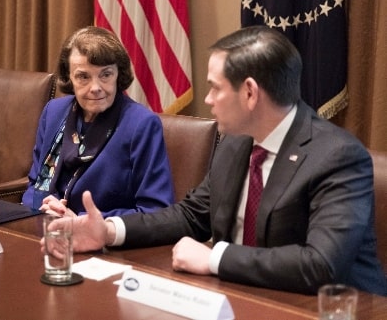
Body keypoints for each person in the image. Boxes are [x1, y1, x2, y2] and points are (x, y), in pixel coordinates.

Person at [47, 25, 387, 295]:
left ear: (250, 93)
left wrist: (215, 258)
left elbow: (321, 265)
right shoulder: (237, 142)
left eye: (215, 88)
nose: (207, 100)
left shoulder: (338, 157)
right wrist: (108, 230)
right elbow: (191, 215)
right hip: (244, 297)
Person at [21, 26, 174, 217]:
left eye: (106, 75)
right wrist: (45, 207)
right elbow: (35, 184)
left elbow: (155, 210)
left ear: (119, 75)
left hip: (108, 241)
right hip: (48, 226)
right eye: (83, 76)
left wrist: (82, 221)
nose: (95, 87)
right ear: (69, 77)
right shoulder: (54, 112)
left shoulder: (141, 125)